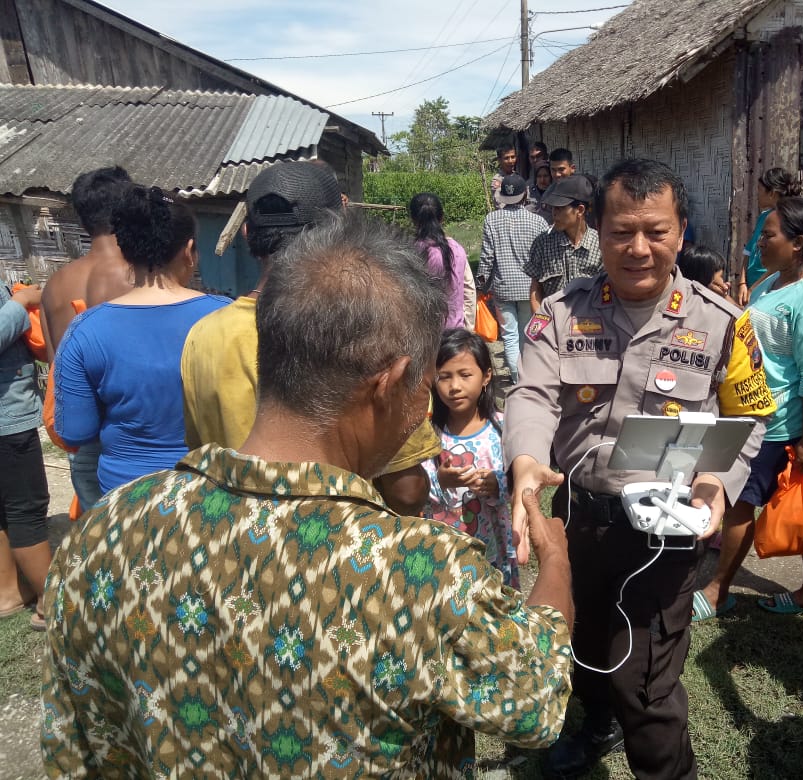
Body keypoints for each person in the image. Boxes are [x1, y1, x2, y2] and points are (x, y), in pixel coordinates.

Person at [41, 210, 575, 776]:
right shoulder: (420, 571)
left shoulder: (105, 529)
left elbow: (74, 747)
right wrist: (557, 559)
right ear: (390, 382)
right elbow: (533, 702)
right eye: (424, 384)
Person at [505, 158, 773, 779]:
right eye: (622, 231)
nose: (639, 248)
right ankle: (593, 723)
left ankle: (664, 770)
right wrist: (525, 463)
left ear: (681, 231)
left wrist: (717, 484)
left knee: (645, 681)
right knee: (584, 638)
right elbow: (533, 396)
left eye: (656, 231)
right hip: (579, 521)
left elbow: (753, 415)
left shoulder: (724, 324)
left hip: (666, 531)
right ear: (598, 230)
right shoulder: (562, 314)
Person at [180, 162, 442, 516]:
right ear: (337, 235)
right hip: (346, 546)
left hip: (231, 532)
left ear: (246, 234)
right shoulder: (359, 329)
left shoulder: (202, 336)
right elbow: (406, 490)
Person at [693, 197, 803, 622]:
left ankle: (718, 588)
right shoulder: (774, 282)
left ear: (798, 242)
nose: (758, 242)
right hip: (761, 412)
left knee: (740, 498)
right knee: (799, 497)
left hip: (784, 420)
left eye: (768, 234)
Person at [53, 186, 230, 497]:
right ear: (189, 251)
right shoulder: (228, 317)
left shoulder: (85, 331)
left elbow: (75, 431)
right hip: (209, 497)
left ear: (125, 251)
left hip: (125, 500)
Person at [40, 166, 134, 508]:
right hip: (129, 435)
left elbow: (56, 368)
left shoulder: (55, 285)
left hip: (81, 435)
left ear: (81, 219)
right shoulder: (141, 276)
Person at [423, 329, 517, 589]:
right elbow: (414, 486)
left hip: (493, 548)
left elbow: (518, 481)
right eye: (444, 377)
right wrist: (439, 480)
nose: (455, 387)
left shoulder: (502, 428)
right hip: (444, 550)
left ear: (486, 376)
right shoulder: (428, 434)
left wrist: (497, 484)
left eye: (465, 375)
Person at [0, 283, 50, 632]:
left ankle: (9, 592)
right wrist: (20, 304)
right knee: (26, 507)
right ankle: (51, 601)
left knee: (5, 509)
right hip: (7, 419)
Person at [477, 173, 547, 384]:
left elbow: (487, 258)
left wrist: (481, 285)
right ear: (525, 194)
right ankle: (528, 379)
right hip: (530, 289)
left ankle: (517, 381)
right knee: (527, 336)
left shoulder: (491, 220)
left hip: (503, 289)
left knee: (509, 336)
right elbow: (543, 258)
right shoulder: (538, 221)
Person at [525, 174, 602, 310]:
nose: (554, 213)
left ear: (580, 210)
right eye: (553, 208)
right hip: (553, 326)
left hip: (593, 326)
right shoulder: (542, 244)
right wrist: (542, 326)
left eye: (560, 208)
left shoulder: (600, 245)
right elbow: (535, 292)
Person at [735, 167, 802, 306]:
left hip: (769, 288)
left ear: (771, 193)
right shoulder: (764, 217)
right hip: (750, 287)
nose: (757, 194)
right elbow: (749, 250)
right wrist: (742, 283)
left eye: (759, 190)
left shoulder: (787, 221)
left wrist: (754, 289)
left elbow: (780, 263)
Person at [410, 192, 467, 329]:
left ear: (412, 219)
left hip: (424, 334)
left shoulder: (410, 252)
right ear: (442, 218)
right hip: (455, 332)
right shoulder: (457, 249)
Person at [491, 143, 518, 207]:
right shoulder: (498, 180)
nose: (510, 161)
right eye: (506, 158)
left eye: (513, 157)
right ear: (499, 160)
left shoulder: (517, 176)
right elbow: (500, 204)